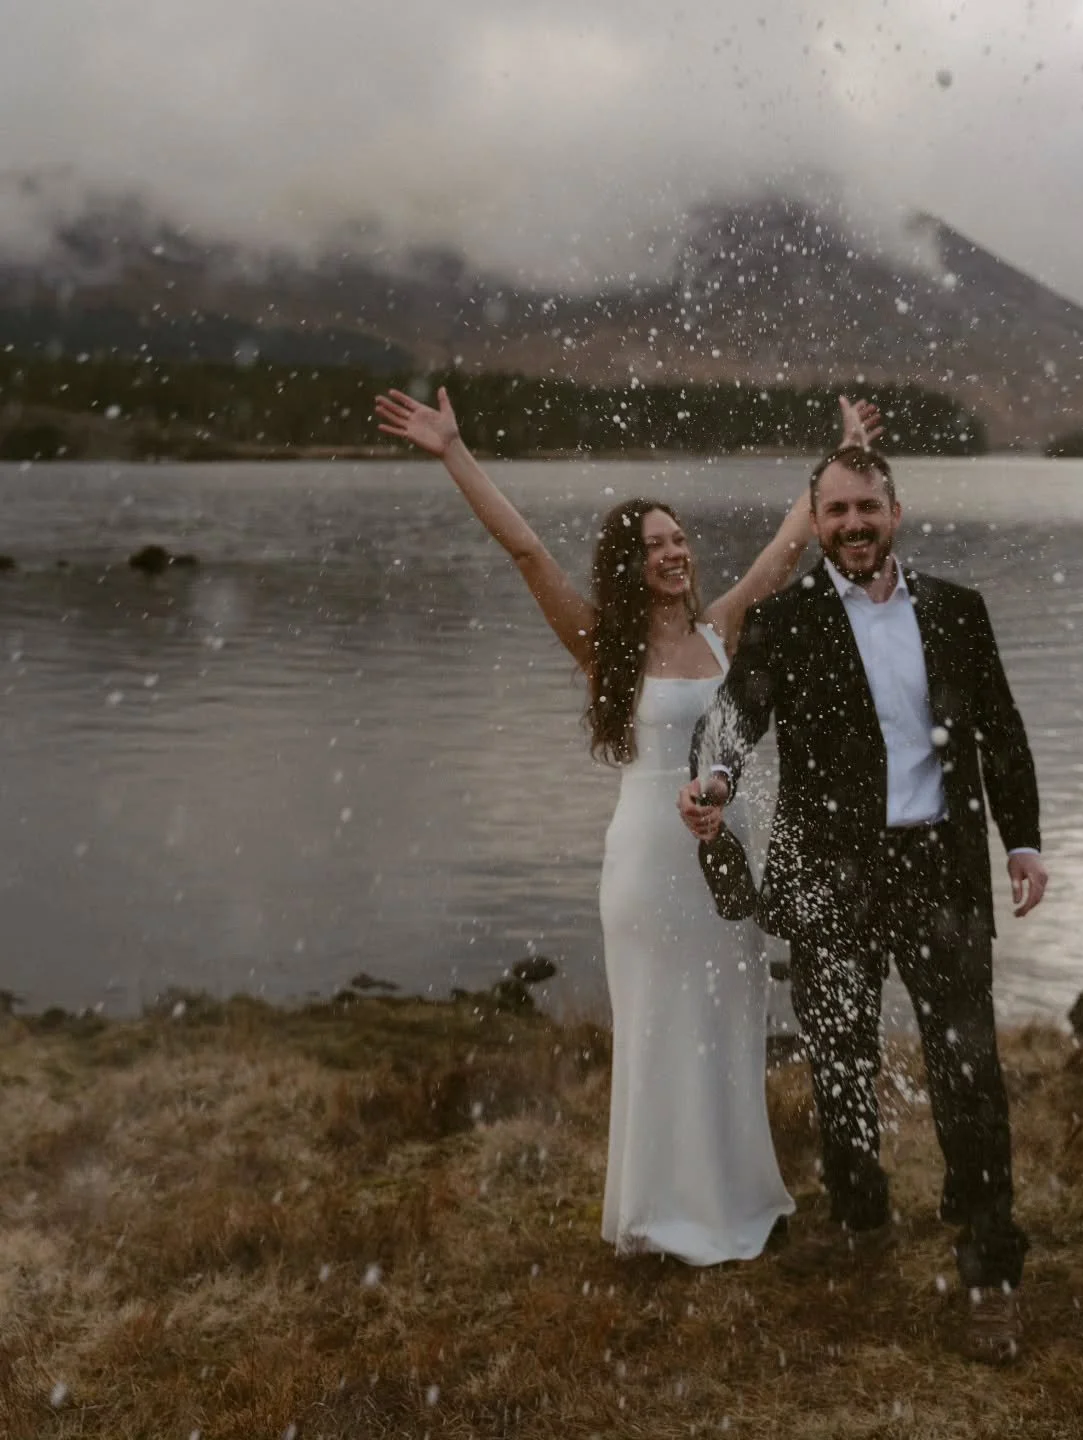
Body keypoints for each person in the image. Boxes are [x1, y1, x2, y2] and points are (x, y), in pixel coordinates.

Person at [373, 386, 882, 1265]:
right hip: (650, 865)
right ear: (629, 564)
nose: (674, 553)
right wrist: (455, 452)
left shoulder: (725, 630)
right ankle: (665, 1213)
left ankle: (736, 1201)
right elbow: (526, 548)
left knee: (729, 1019)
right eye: (654, 546)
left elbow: (786, 545)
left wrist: (838, 458)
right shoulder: (606, 645)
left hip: (726, 866)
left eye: (678, 538)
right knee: (661, 1029)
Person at [679, 444, 1047, 1357]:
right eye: (834, 511)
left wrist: (1024, 841)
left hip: (941, 874)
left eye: (866, 508)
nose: (851, 526)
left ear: (896, 511)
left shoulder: (957, 612)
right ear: (818, 520)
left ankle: (989, 1266)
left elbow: (1000, 731)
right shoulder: (788, 620)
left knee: (968, 1069)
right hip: (828, 874)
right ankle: (859, 1216)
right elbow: (735, 713)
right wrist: (715, 780)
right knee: (838, 1060)